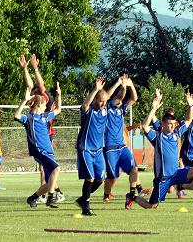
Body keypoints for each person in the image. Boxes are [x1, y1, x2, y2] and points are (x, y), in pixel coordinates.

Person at [128, 89, 193, 210]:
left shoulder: (177, 133)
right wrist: (153, 108)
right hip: (163, 178)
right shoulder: (157, 137)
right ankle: (132, 197)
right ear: (163, 125)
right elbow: (144, 126)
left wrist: (191, 105)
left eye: (173, 124)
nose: (172, 126)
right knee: (151, 206)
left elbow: (188, 120)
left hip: (176, 173)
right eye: (169, 124)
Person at [19, 54, 65, 203]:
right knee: (48, 170)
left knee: (49, 171)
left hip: (47, 136)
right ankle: (52, 194)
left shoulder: (43, 99)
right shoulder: (33, 108)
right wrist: (25, 69)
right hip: (39, 142)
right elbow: (30, 85)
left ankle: (45, 194)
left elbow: (40, 86)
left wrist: (35, 68)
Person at [75, 77, 122, 216]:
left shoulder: (106, 108)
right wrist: (95, 89)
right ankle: (86, 207)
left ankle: (83, 199)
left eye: (105, 101)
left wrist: (119, 83)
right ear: (95, 99)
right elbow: (84, 105)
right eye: (100, 101)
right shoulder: (88, 111)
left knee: (100, 179)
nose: (103, 103)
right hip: (86, 149)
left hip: (98, 149)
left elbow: (111, 96)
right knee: (89, 177)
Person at [15, 82, 63, 208]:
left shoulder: (44, 116)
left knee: (49, 183)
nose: (46, 107)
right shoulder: (29, 118)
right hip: (39, 150)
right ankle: (51, 198)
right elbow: (16, 115)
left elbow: (58, 109)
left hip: (48, 151)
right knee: (56, 169)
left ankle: (32, 198)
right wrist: (25, 100)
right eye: (44, 105)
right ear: (38, 104)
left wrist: (59, 95)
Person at [102, 75, 143, 205]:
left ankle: (131, 194)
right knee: (113, 177)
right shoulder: (107, 107)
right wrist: (121, 85)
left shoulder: (122, 109)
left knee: (134, 168)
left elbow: (134, 98)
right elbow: (117, 96)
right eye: (118, 99)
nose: (120, 101)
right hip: (109, 147)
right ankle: (106, 195)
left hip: (122, 146)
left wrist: (130, 85)